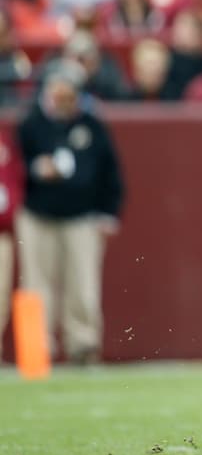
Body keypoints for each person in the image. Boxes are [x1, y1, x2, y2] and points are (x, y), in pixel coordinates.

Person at [16, 61, 124, 365]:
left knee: (83, 286)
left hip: (81, 216)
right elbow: (15, 166)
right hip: (38, 215)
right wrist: (36, 170)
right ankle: (38, 351)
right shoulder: (32, 123)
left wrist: (108, 211)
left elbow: (110, 171)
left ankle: (83, 347)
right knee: (37, 286)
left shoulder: (92, 125)